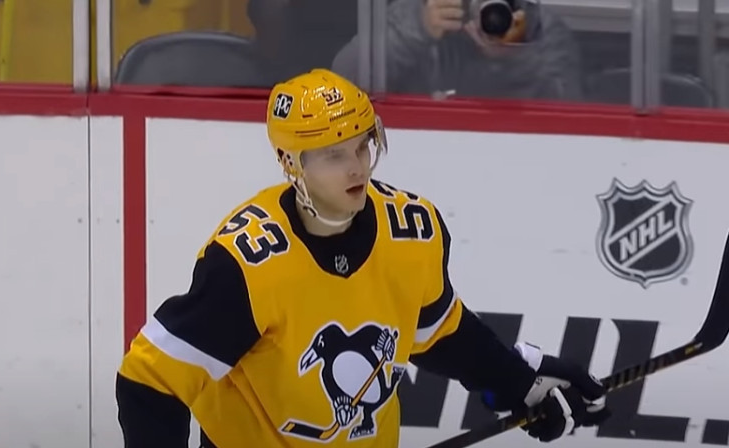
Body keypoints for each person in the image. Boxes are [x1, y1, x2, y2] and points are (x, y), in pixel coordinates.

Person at [115, 68, 610, 448]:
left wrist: (519, 382)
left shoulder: (411, 232)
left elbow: (438, 333)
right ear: (290, 163)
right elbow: (149, 382)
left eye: (362, 147)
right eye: (333, 155)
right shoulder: (248, 264)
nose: (357, 168)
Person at [332, 0, 583, 101]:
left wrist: (513, 56)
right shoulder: (419, 12)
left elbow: (570, 106)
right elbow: (343, 82)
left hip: (516, 153)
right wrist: (419, 29)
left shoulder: (536, 25)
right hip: (426, 148)